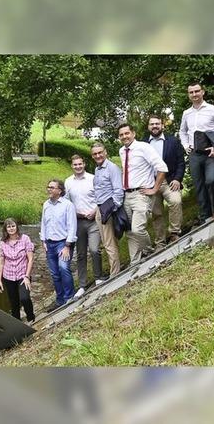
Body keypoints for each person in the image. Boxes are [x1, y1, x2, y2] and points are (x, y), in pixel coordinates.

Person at [179, 82, 214, 223]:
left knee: (211, 180)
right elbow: (182, 132)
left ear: (203, 92)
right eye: (191, 92)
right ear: (188, 94)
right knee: (199, 186)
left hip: (210, 154)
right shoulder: (186, 113)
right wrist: (185, 146)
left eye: (197, 91)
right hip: (194, 155)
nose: (194, 94)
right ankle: (205, 217)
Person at [118, 123, 168, 264]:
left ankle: (149, 252)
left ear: (133, 133)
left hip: (141, 194)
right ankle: (135, 262)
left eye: (126, 133)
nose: (124, 137)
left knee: (138, 228)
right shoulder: (122, 151)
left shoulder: (144, 147)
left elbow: (162, 168)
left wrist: (155, 189)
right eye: (121, 135)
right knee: (130, 232)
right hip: (127, 195)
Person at [141, 115, 186, 250]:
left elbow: (181, 162)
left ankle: (174, 233)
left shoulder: (173, 141)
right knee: (156, 213)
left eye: (157, 124)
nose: (155, 126)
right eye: (152, 124)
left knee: (176, 201)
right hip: (151, 183)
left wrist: (178, 178)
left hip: (169, 181)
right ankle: (160, 242)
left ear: (162, 125)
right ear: (148, 127)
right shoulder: (142, 144)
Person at [64, 155, 102, 298]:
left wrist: (95, 211)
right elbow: (67, 204)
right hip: (77, 222)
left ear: (84, 164)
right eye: (75, 165)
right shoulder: (68, 182)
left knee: (94, 249)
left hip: (93, 220)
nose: (78, 166)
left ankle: (98, 277)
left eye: (80, 164)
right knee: (80, 254)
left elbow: (100, 197)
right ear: (72, 166)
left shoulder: (93, 178)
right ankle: (82, 285)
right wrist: (76, 213)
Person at [40, 179, 77, 311]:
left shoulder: (68, 205)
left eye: (52, 187)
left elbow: (72, 226)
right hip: (49, 243)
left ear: (59, 191)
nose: (49, 189)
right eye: (48, 187)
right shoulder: (46, 205)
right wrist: (43, 240)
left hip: (63, 242)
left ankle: (69, 297)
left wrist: (67, 245)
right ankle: (60, 300)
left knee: (63, 268)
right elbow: (43, 223)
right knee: (55, 273)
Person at [90, 143, 123, 277]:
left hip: (107, 210)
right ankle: (114, 271)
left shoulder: (112, 168)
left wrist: (111, 210)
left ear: (105, 152)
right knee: (107, 243)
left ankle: (114, 274)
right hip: (100, 208)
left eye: (100, 152)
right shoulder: (97, 169)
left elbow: (118, 192)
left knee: (109, 243)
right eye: (95, 154)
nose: (98, 155)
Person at [0, 218, 35, 323]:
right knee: (14, 303)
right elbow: (1, 262)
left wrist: (27, 276)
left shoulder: (25, 239)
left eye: (13, 226)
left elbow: (31, 259)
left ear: (17, 226)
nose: (11, 228)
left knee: (24, 298)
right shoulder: (3, 243)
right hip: (8, 276)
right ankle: (17, 324)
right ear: (5, 229)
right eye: (8, 226)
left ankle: (31, 318)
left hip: (23, 275)